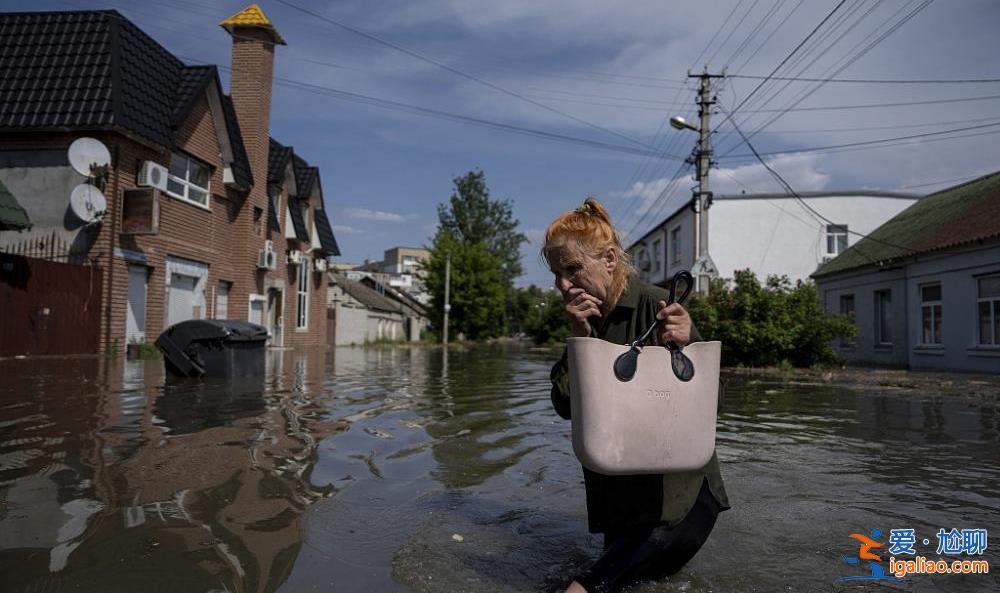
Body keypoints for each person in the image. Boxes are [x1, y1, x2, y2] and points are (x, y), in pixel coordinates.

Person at [543, 198, 730, 593]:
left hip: (677, 504)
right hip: (622, 505)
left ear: (610, 259)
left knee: (582, 589)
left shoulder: (657, 305)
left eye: (573, 269)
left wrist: (684, 343)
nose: (563, 283)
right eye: (557, 273)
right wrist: (580, 339)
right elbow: (564, 407)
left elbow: (712, 405)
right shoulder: (587, 320)